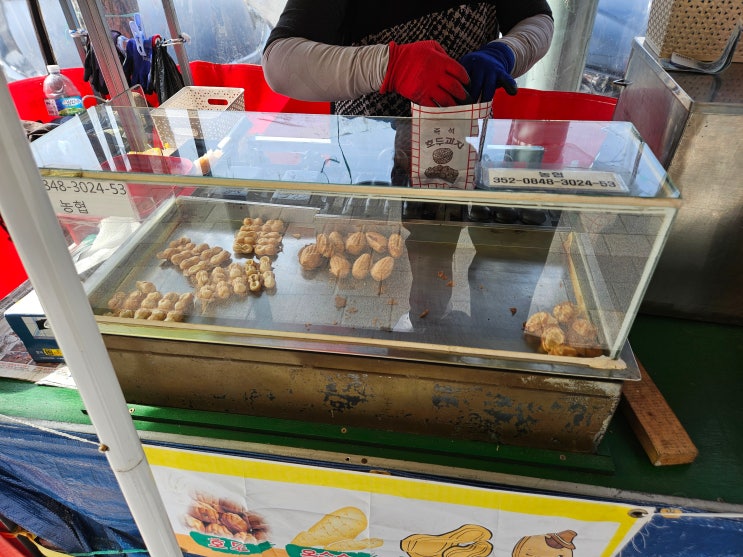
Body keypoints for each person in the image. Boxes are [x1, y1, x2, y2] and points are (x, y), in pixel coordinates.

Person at [262, 1, 554, 117]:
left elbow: (536, 19)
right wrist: (390, 66)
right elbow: (280, 62)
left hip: (467, 144)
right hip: (368, 162)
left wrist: (505, 52)